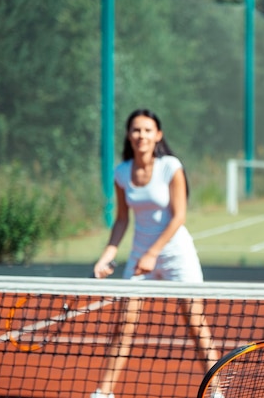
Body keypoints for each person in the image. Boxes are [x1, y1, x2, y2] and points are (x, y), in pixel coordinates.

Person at [90, 108, 220, 398]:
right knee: (124, 324)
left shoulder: (170, 166)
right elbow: (122, 219)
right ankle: (104, 392)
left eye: (148, 130)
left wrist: (153, 253)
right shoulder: (121, 172)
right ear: (129, 135)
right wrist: (107, 255)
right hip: (140, 255)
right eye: (136, 130)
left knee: (196, 325)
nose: (141, 135)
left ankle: (216, 392)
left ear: (158, 135)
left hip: (177, 254)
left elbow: (178, 216)